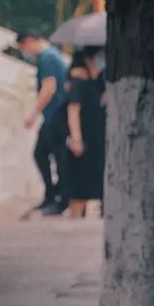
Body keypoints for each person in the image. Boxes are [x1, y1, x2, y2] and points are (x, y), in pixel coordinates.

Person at [16, 31, 69, 216]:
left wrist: (33, 114)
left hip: (56, 116)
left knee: (56, 158)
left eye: (23, 48)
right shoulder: (53, 55)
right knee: (43, 154)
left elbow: (49, 88)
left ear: (30, 41)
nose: (25, 52)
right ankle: (52, 195)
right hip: (54, 116)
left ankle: (61, 199)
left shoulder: (47, 58)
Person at [65, 47, 106, 219]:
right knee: (81, 188)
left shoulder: (101, 81)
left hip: (100, 140)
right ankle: (75, 220)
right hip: (85, 140)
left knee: (99, 184)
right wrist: (76, 138)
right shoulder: (79, 81)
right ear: (89, 60)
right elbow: (73, 109)